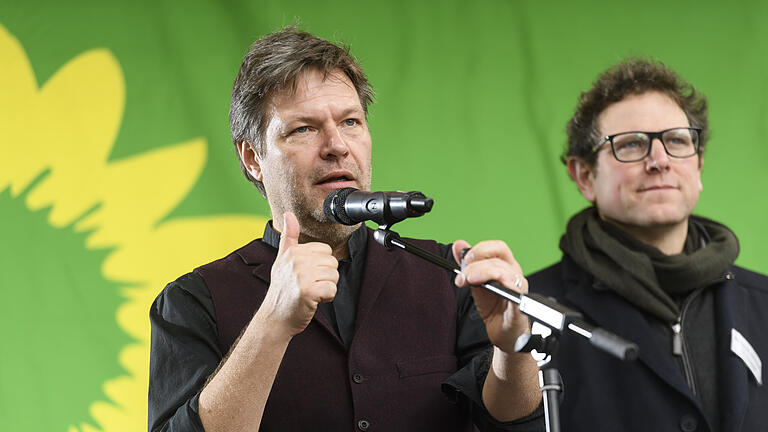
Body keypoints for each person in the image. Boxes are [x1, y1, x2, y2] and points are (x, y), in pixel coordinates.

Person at [148, 27, 543, 432]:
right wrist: (273, 323)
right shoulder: (192, 301)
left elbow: (514, 422)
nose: (337, 145)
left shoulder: (447, 274)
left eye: (351, 121)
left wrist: (513, 349)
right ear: (252, 158)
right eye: (303, 128)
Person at [528, 58, 768, 431]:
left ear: (699, 165)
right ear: (585, 176)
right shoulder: (531, 311)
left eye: (676, 140)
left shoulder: (764, 303)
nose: (660, 161)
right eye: (632, 144)